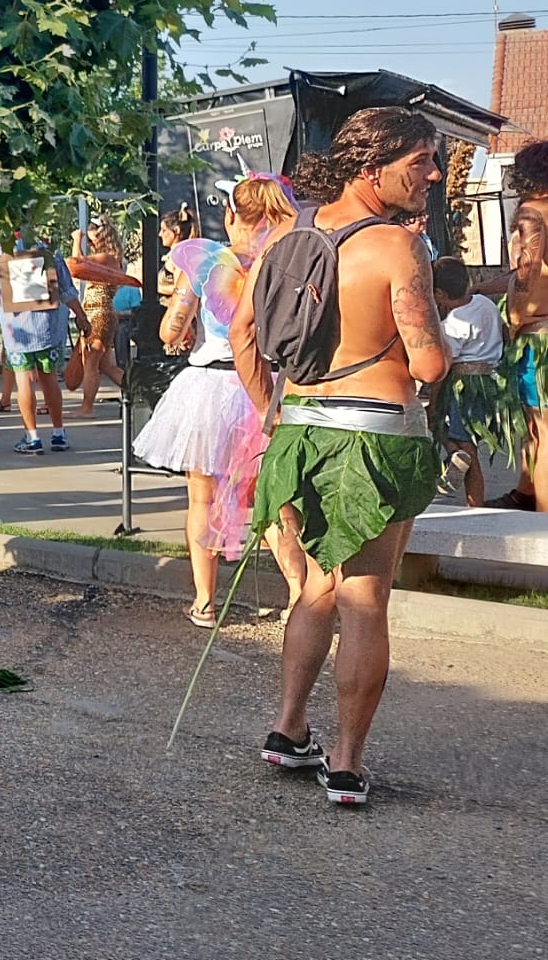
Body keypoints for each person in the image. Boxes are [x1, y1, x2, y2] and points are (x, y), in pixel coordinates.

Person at [231, 107, 449, 806]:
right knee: (365, 596)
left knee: (315, 586)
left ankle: (288, 728)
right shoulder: (395, 246)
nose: (434, 174)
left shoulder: (289, 234)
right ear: (371, 167)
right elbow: (432, 363)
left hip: (298, 430)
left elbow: (243, 331)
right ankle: (348, 763)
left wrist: (272, 406)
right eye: (420, 161)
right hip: (377, 435)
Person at [134, 176, 307, 627]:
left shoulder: (206, 260)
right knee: (272, 499)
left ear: (230, 215)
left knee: (201, 498)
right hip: (264, 389)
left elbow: (170, 330)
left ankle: (206, 601)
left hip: (208, 390)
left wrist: (181, 326)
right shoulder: (284, 262)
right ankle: (299, 595)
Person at [0, 238, 90, 453]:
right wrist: (81, 316)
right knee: (49, 379)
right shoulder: (48, 251)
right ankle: (58, 433)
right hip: (47, 328)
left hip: (16, 330)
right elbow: (67, 290)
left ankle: (32, 438)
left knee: (24, 382)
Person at [492, 141, 548, 510]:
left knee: (542, 429)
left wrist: (514, 318)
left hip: (538, 335)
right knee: (533, 427)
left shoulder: (532, 214)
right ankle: (527, 493)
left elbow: (527, 270)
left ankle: (542, 523)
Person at [430, 256, 508, 508]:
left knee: (464, 446)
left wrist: (433, 401)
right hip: (490, 383)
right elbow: (504, 333)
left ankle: (474, 500)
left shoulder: (453, 325)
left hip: (465, 387)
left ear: (440, 293)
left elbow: (442, 367)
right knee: (470, 445)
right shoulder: (485, 303)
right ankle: (459, 462)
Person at [71, 219, 128, 417]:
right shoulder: (110, 258)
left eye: (93, 237)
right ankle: (137, 391)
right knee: (106, 365)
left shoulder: (107, 258)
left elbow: (76, 264)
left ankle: (87, 408)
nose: (90, 242)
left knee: (91, 363)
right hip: (102, 312)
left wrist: (76, 240)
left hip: (99, 313)